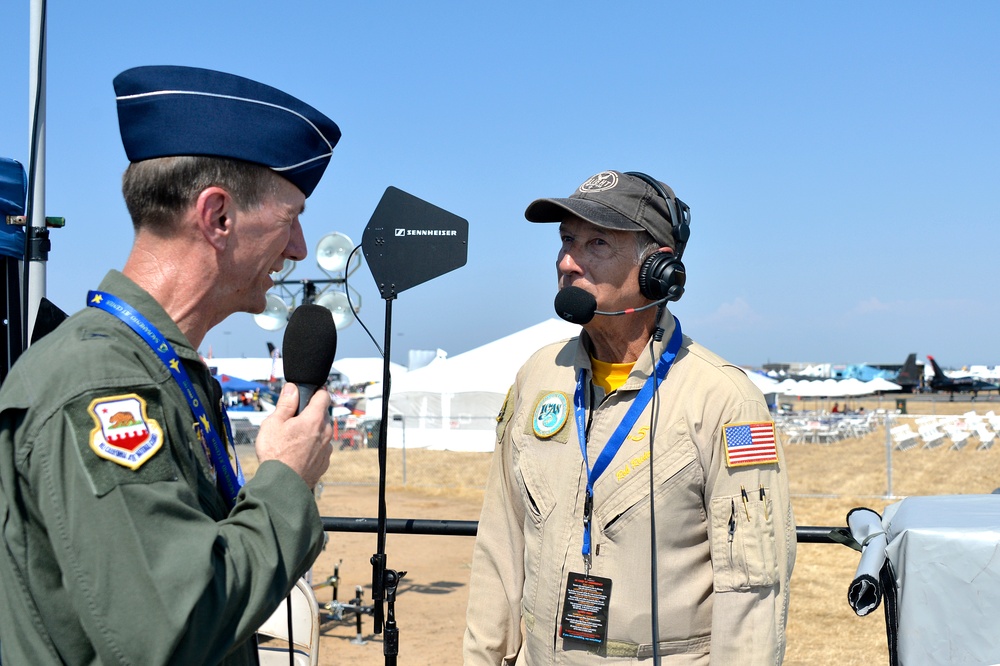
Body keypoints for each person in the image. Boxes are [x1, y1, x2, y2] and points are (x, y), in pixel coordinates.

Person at [0, 66, 341, 665]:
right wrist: (287, 480)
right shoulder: (104, 385)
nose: (298, 249)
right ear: (218, 217)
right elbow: (173, 630)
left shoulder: (158, 370)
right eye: (290, 220)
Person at [464, 170, 796, 664]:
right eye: (566, 240)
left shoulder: (727, 400)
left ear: (658, 271)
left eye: (597, 242)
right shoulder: (538, 376)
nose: (567, 262)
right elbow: (501, 542)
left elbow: (751, 592)